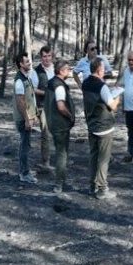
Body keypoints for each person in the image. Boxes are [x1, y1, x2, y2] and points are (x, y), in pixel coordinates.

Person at [81, 57, 120, 200]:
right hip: (104, 127)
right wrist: (118, 98)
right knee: (103, 159)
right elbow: (112, 105)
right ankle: (103, 188)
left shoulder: (85, 83)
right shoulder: (101, 86)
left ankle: (92, 186)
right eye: (103, 68)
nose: (105, 71)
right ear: (99, 70)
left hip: (91, 125)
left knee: (93, 156)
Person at [44, 59, 76, 193]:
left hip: (52, 122)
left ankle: (61, 181)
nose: (69, 71)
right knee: (62, 154)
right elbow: (61, 106)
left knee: (60, 153)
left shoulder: (51, 83)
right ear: (62, 71)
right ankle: (59, 184)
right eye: (68, 69)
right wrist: (70, 116)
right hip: (60, 124)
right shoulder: (59, 86)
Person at [12, 52, 38, 185]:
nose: (29, 63)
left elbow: (30, 98)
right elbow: (20, 102)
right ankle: (24, 173)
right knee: (24, 146)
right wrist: (27, 119)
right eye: (27, 61)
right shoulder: (19, 81)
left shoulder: (26, 77)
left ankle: (25, 171)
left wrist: (34, 115)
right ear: (21, 64)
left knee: (26, 145)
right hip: (23, 119)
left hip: (28, 117)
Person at [33, 45, 54, 172]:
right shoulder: (36, 71)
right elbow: (32, 89)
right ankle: (45, 162)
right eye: (44, 56)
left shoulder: (56, 69)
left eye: (49, 56)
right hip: (43, 106)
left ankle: (61, 158)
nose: (47, 59)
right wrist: (46, 94)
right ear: (41, 58)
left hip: (57, 105)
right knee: (46, 133)